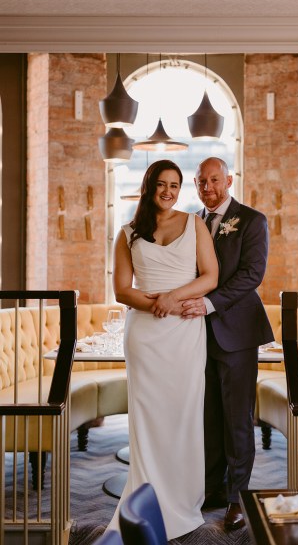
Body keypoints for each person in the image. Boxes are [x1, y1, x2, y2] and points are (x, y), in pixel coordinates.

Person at [106, 159, 218, 540]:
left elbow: (210, 276)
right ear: (149, 186)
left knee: (184, 413)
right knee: (148, 418)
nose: (169, 191)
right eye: (162, 185)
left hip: (185, 332)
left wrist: (172, 298)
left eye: (175, 184)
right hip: (145, 336)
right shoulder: (128, 233)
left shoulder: (195, 224)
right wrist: (155, 304)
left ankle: (183, 500)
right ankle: (145, 497)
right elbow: (122, 290)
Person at [181, 157, 274, 531]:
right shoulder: (191, 222)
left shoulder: (252, 220)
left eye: (214, 180)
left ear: (229, 180)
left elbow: (253, 274)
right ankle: (213, 489)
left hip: (236, 333)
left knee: (237, 419)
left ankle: (238, 499)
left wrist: (209, 302)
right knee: (209, 417)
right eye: (202, 181)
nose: (208, 187)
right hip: (196, 335)